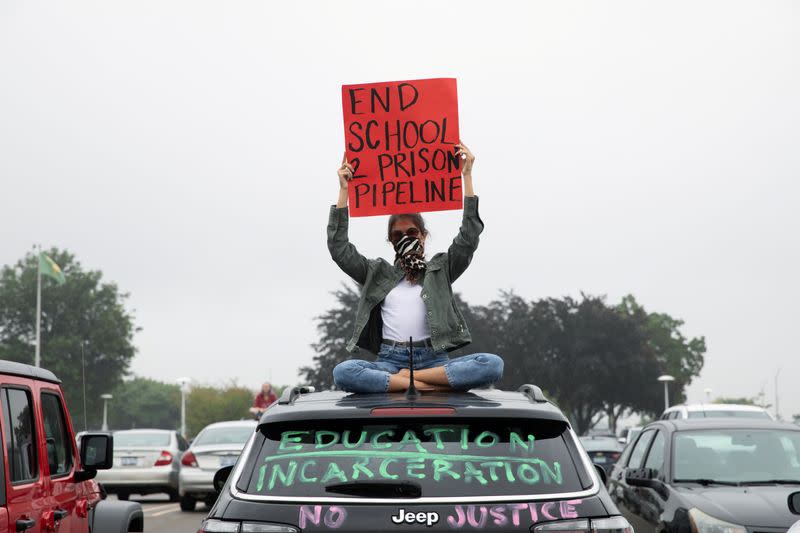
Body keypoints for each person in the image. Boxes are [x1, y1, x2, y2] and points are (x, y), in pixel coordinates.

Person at [328, 143, 503, 393]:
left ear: (423, 235)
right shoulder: (376, 272)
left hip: (434, 358)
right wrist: (343, 191)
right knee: (343, 372)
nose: (405, 237)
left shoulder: (441, 269)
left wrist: (467, 175)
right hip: (390, 361)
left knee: (491, 365)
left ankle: (410, 381)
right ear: (390, 240)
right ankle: (429, 386)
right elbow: (339, 248)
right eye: (397, 234)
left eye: (411, 232)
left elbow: (468, 237)